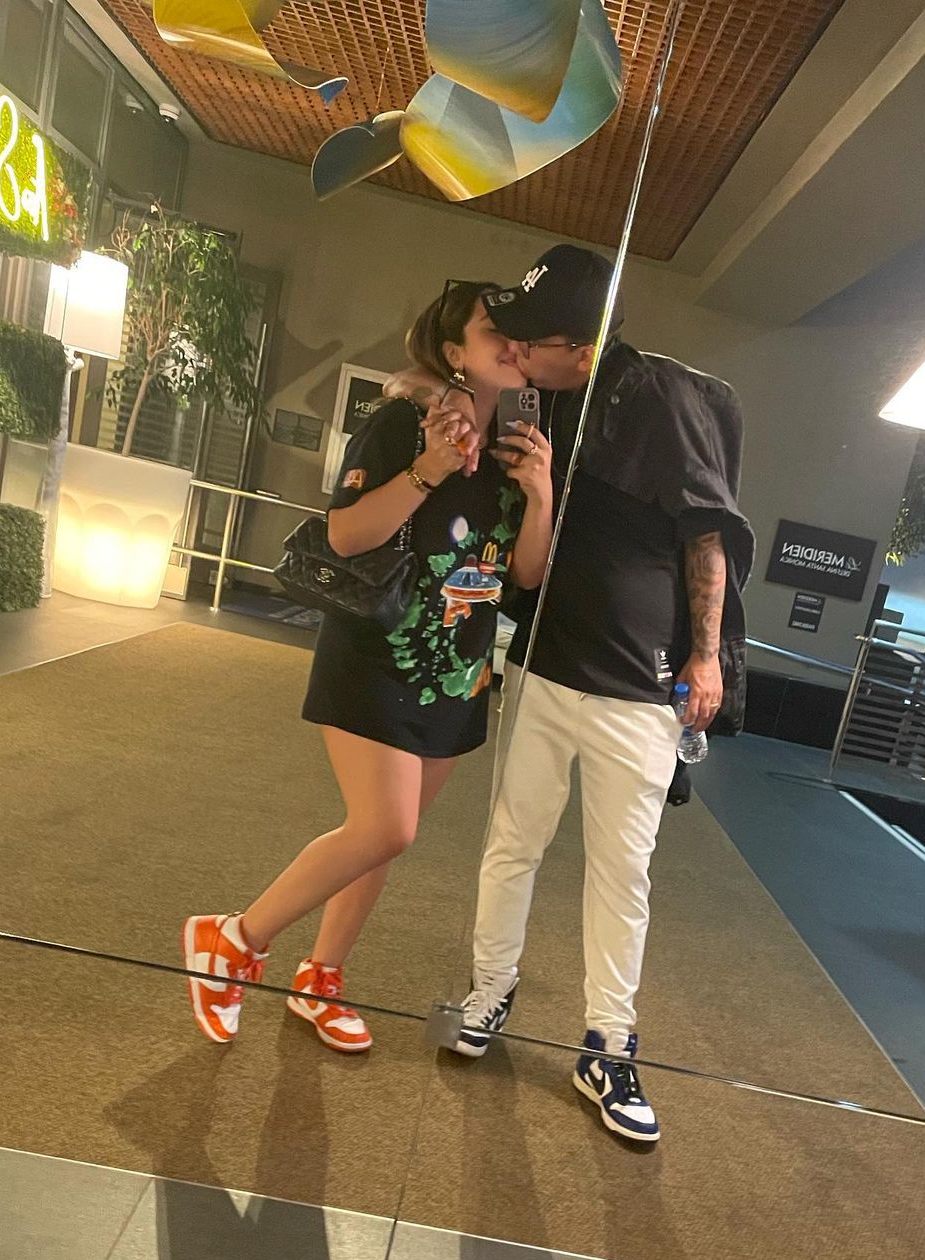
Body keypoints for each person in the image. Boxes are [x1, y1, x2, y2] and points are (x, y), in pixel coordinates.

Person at [397, 246, 754, 1144]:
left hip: (639, 688)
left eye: (532, 341)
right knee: (510, 842)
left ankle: (609, 1044)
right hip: (544, 665)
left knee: (620, 873)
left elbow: (706, 535)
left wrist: (705, 656)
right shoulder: (536, 395)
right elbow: (451, 378)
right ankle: (489, 992)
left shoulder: (664, 398)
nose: (516, 352)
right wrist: (436, 394)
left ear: (582, 349)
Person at [181, 280, 554, 1052]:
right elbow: (346, 537)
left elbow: (524, 574)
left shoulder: (521, 446)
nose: (515, 345)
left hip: (456, 675)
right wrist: (429, 469)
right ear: (454, 352)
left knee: (380, 837)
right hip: (375, 654)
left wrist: (541, 494)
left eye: (521, 334)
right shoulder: (403, 424)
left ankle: (321, 977)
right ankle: (233, 939)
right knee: (387, 826)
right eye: (495, 332)